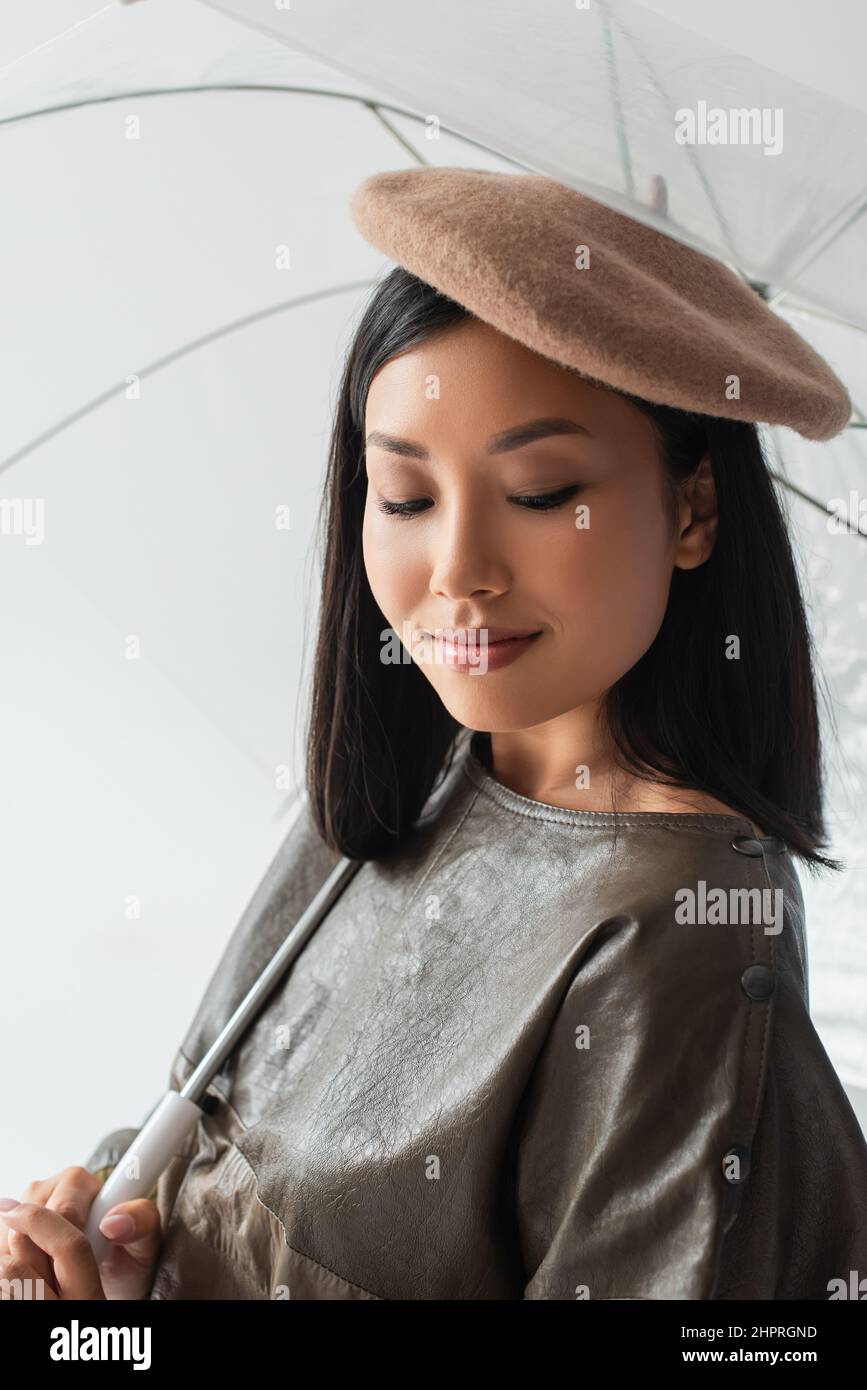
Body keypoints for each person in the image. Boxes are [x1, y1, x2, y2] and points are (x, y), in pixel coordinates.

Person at [3, 169, 866, 1300]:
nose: (457, 570)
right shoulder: (405, 786)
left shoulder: (682, 933)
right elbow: (213, 1190)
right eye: (405, 497)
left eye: (546, 490)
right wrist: (95, 1289)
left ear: (694, 511)